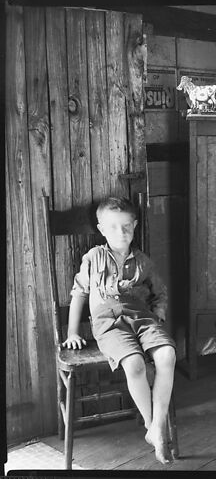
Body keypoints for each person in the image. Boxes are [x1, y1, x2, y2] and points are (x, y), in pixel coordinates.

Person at [64, 196, 176, 465]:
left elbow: (160, 293)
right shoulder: (93, 258)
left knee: (167, 356)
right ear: (101, 229)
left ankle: (157, 424)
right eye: (113, 227)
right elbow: (79, 293)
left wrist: (158, 315)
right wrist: (72, 332)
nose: (121, 232)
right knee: (135, 364)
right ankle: (154, 428)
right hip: (110, 325)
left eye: (126, 226)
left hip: (143, 319)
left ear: (135, 226)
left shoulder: (143, 262)